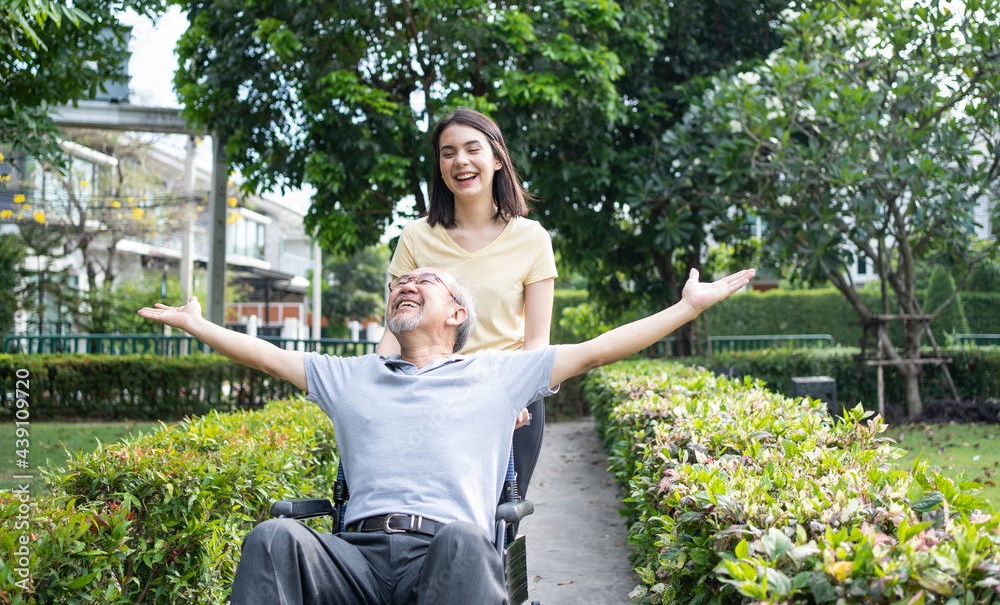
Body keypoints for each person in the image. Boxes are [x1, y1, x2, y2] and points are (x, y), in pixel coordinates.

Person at [137, 264, 755, 605]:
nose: (404, 284)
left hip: (447, 558)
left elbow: (597, 350)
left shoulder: (498, 376)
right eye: (397, 284)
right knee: (275, 539)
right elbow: (265, 354)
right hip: (354, 559)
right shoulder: (351, 376)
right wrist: (198, 323)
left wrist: (689, 309)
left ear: (457, 314)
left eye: (422, 281)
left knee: (464, 542)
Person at [377, 107, 557, 495]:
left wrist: (517, 398)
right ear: (440, 168)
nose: (460, 161)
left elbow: (537, 341)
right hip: (428, 396)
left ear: (496, 159)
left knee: (498, 526)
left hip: (510, 397)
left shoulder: (533, 238)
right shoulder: (415, 236)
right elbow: (394, 331)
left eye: (472, 149)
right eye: (447, 152)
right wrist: (373, 383)